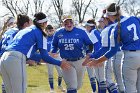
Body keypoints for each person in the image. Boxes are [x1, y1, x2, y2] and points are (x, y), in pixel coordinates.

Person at [0, 12, 71, 93]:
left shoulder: (24, 30)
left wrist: (46, 56)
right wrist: (60, 63)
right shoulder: (40, 33)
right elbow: (44, 56)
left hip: (3, 59)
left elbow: (31, 55)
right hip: (16, 59)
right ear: (44, 23)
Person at [83, 3, 140, 93]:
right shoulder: (134, 18)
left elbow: (111, 51)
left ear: (109, 15)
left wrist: (97, 60)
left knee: (129, 88)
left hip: (129, 57)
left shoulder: (115, 28)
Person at [51, 15, 93, 93]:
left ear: (74, 22)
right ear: (62, 23)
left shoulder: (81, 32)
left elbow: (89, 44)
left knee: (78, 86)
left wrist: (88, 53)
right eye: (66, 22)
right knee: (72, 86)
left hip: (80, 61)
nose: (69, 24)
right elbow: (54, 45)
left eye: (71, 22)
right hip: (66, 61)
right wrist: (53, 52)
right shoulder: (58, 32)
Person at [0, 14, 32, 93]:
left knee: (7, 86)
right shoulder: (20, 32)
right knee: (19, 88)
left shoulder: (7, 31)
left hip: (2, 59)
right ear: (25, 24)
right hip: (13, 59)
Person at [98, 12, 119, 93]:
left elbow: (105, 48)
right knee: (122, 82)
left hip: (112, 55)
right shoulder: (119, 25)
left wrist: (95, 58)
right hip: (125, 55)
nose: (100, 23)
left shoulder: (107, 29)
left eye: (102, 21)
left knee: (108, 80)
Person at [84, 19, 107, 93]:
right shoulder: (96, 31)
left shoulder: (92, 33)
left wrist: (98, 59)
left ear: (89, 26)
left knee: (101, 79)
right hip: (103, 54)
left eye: (86, 26)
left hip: (100, 56)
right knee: (100, 78)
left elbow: (98, 46)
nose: (86, 28)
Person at [45, 25, 65, 93]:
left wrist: (57, 52)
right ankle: (52, 89)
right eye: (48, 31)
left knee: (61, 73)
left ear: (53, 30)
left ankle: (59, 85)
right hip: (49, 57)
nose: (49, 32)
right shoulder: (44, 38)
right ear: (46, 31)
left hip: (57, 56)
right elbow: (42, 49)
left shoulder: (57, 37)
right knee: (50, 74)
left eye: (51, 30)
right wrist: (48, 53)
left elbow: (61, 46)